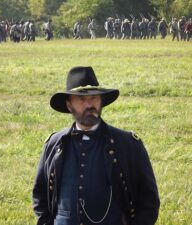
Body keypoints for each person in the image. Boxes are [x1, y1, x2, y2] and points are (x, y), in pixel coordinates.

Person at [32, 66, 160, 225]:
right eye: (81, 99)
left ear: (101, 101)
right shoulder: (53, 145)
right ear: (69, 105)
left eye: (94, 98)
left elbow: (149, 200)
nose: (89, 104)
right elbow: (40, 196)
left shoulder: (128, 145)